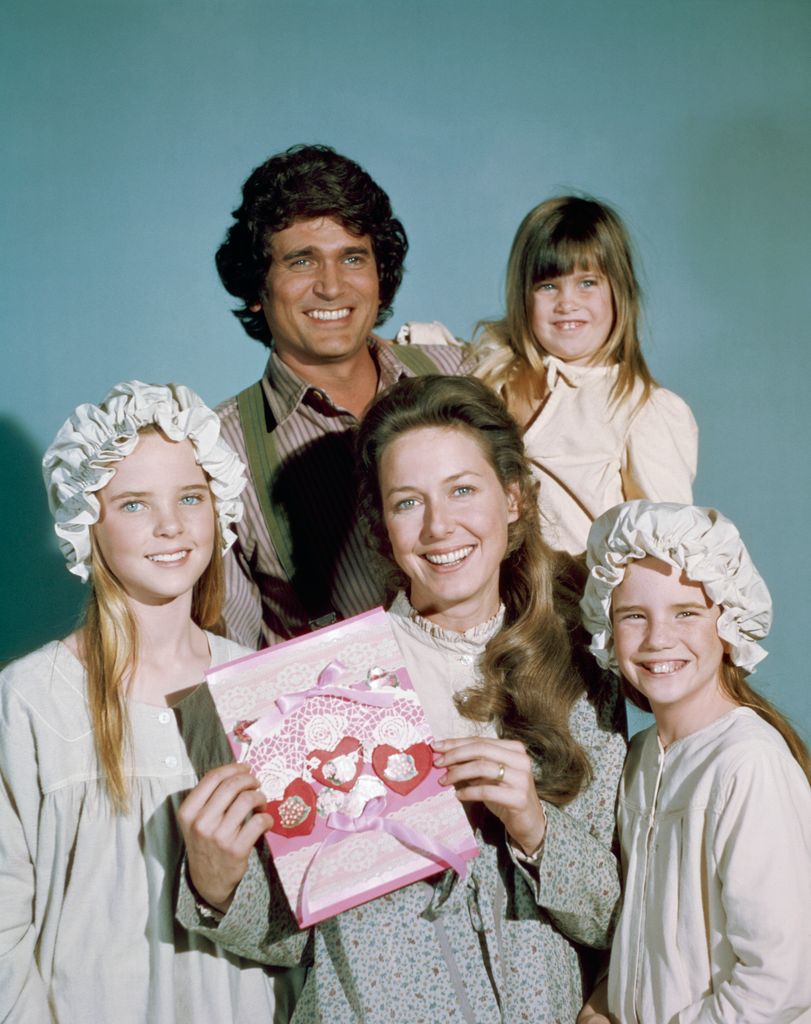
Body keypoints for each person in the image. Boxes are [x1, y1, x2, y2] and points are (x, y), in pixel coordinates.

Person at [176, 375, 627, 1023]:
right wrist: (216, 884)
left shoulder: (583, 673)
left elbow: (612, 920)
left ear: (514, 499)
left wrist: (534, 825)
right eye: (407, 502)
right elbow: (299, 937)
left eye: (462, 490)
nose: (439, 526)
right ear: (382, 527)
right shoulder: (323, 684)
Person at [0, 381, 301, 1022]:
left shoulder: (263, 689)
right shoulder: (29, 699)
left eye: (190, 497)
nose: (170, 525)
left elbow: (303, 917)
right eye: (134, 504)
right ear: (87, 521)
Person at [213, 143, 469, 649]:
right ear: (257, 289)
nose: (331, 287)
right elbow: (230, 660)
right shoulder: (217, 451)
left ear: (380, 276)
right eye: (301, 262)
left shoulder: (462, 373)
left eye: (352, 258)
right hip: (349, 718)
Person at [577, 500, 811, 1024]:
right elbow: (645, 934)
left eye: (686, 612)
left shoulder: (747, 765)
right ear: (607, 633)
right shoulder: (639, 761)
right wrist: (604, 1000)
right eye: (633, 616)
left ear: (727, 625)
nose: (659, 638)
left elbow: (780, 983)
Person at [473, 196, 698, 555]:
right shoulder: (496, 374)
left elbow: (668, 550)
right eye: (548, 286)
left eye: (587, 283)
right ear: (523, 297)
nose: (566, 302)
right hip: (498, 600)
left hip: (578, 603)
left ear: (618, 292)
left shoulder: (641, 408)